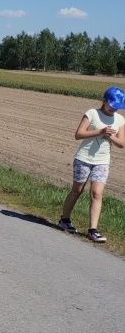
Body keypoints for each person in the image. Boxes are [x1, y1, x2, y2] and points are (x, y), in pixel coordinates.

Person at [58, 86, 125, 242]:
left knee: (97, 193)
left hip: (102, 161)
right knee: (77, 190)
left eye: (117, 107)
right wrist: (100, 132)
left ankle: (92, 230)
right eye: (111, 105)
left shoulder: (120, 120)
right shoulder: (92, 114)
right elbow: (78, 134)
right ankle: (65, 220)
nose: (113, 109)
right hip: (83, 158)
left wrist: (110, 137)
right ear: (104, 101)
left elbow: (122, 143)